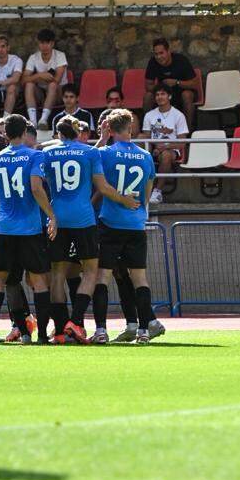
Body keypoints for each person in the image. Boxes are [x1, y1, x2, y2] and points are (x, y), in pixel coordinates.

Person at [40, 116, 139, 343]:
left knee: (57, 274)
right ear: (78, 133)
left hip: (57, 217)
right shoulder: (90, 152)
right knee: (91, 270)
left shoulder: (47, 153)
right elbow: (103, 187)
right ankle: (75, 322)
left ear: (59, 134)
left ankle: (60, 330)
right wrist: (124, 200)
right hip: (83, 218)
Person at [0, 114, 56, 344]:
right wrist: (51, 215)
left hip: (4, 229)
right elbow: (36, 188)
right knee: (39, 281)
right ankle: (42, 335)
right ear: (23, 133)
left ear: (6, 135)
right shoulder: (34, 155)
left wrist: (4, 206)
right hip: (29, 229)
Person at [93, 108, 157, 345]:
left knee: (102, 277)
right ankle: (144, 331)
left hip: (110, 222)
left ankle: (101, 330)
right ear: (131, 128)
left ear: (110, 129)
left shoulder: (105, 153)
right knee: (140, 278)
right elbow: (148, 190)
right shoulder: (146, 156)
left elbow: (92, 165)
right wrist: (137, 209)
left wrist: (102, 138)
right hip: (135, 223)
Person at [140, 86, 189, 203]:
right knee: (140, 138)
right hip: (154, 148)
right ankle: (139, 187)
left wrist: (165, 147)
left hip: (172, 149)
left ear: (169, 96)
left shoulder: (178, 115)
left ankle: (157, 192)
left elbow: (182, 143)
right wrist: (154, 147)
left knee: (166, 155)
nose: (159, 97)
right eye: (157, 95)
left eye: (163, 94)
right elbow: (146, 136)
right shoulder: (149, 115)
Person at [143, 37, 198, 130]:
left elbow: (193, 83)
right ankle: (148, 129)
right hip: (164, 92)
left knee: (187, 95)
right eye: (156, 54)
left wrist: (176, 82)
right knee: (148, 96)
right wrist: (160, 88)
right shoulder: (152, 62)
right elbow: (148, 85)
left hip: (182, 91)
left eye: (161, 53)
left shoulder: (181, 60)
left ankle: (187, 130)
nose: (159, 57)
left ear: (168, 51)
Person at [22, 28, 70, 130]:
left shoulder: (60, 56)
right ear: (38, 43)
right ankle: (33, 121)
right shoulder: (33, 57)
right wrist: (39, 75)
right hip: (41, 93)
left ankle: (43, 120)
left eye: (47, 43)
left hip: (58, 93)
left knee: (52, 85)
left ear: (52, 44)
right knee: (29, 85)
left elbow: (57, 80)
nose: (44, 46)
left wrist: (38, 78)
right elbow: (24, 79)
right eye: (42, 43)